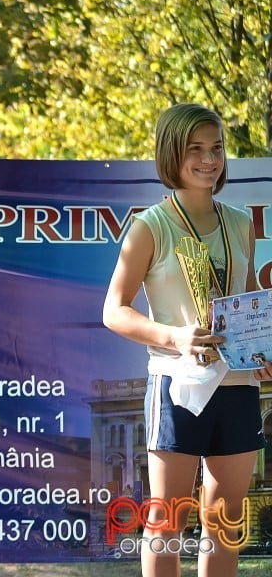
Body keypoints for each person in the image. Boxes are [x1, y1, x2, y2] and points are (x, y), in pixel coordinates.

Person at [103, 103, 272, 577]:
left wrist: (259, 351)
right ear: (171, 153)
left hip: (236, 384)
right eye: (195, 149)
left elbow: (239, 304)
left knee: (225, 523)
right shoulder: (149, 226)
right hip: (176, 383)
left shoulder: (241, 222)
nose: (208, 159)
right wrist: (175, 337)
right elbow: (113, 310)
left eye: (216, 148)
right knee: (167, 521)